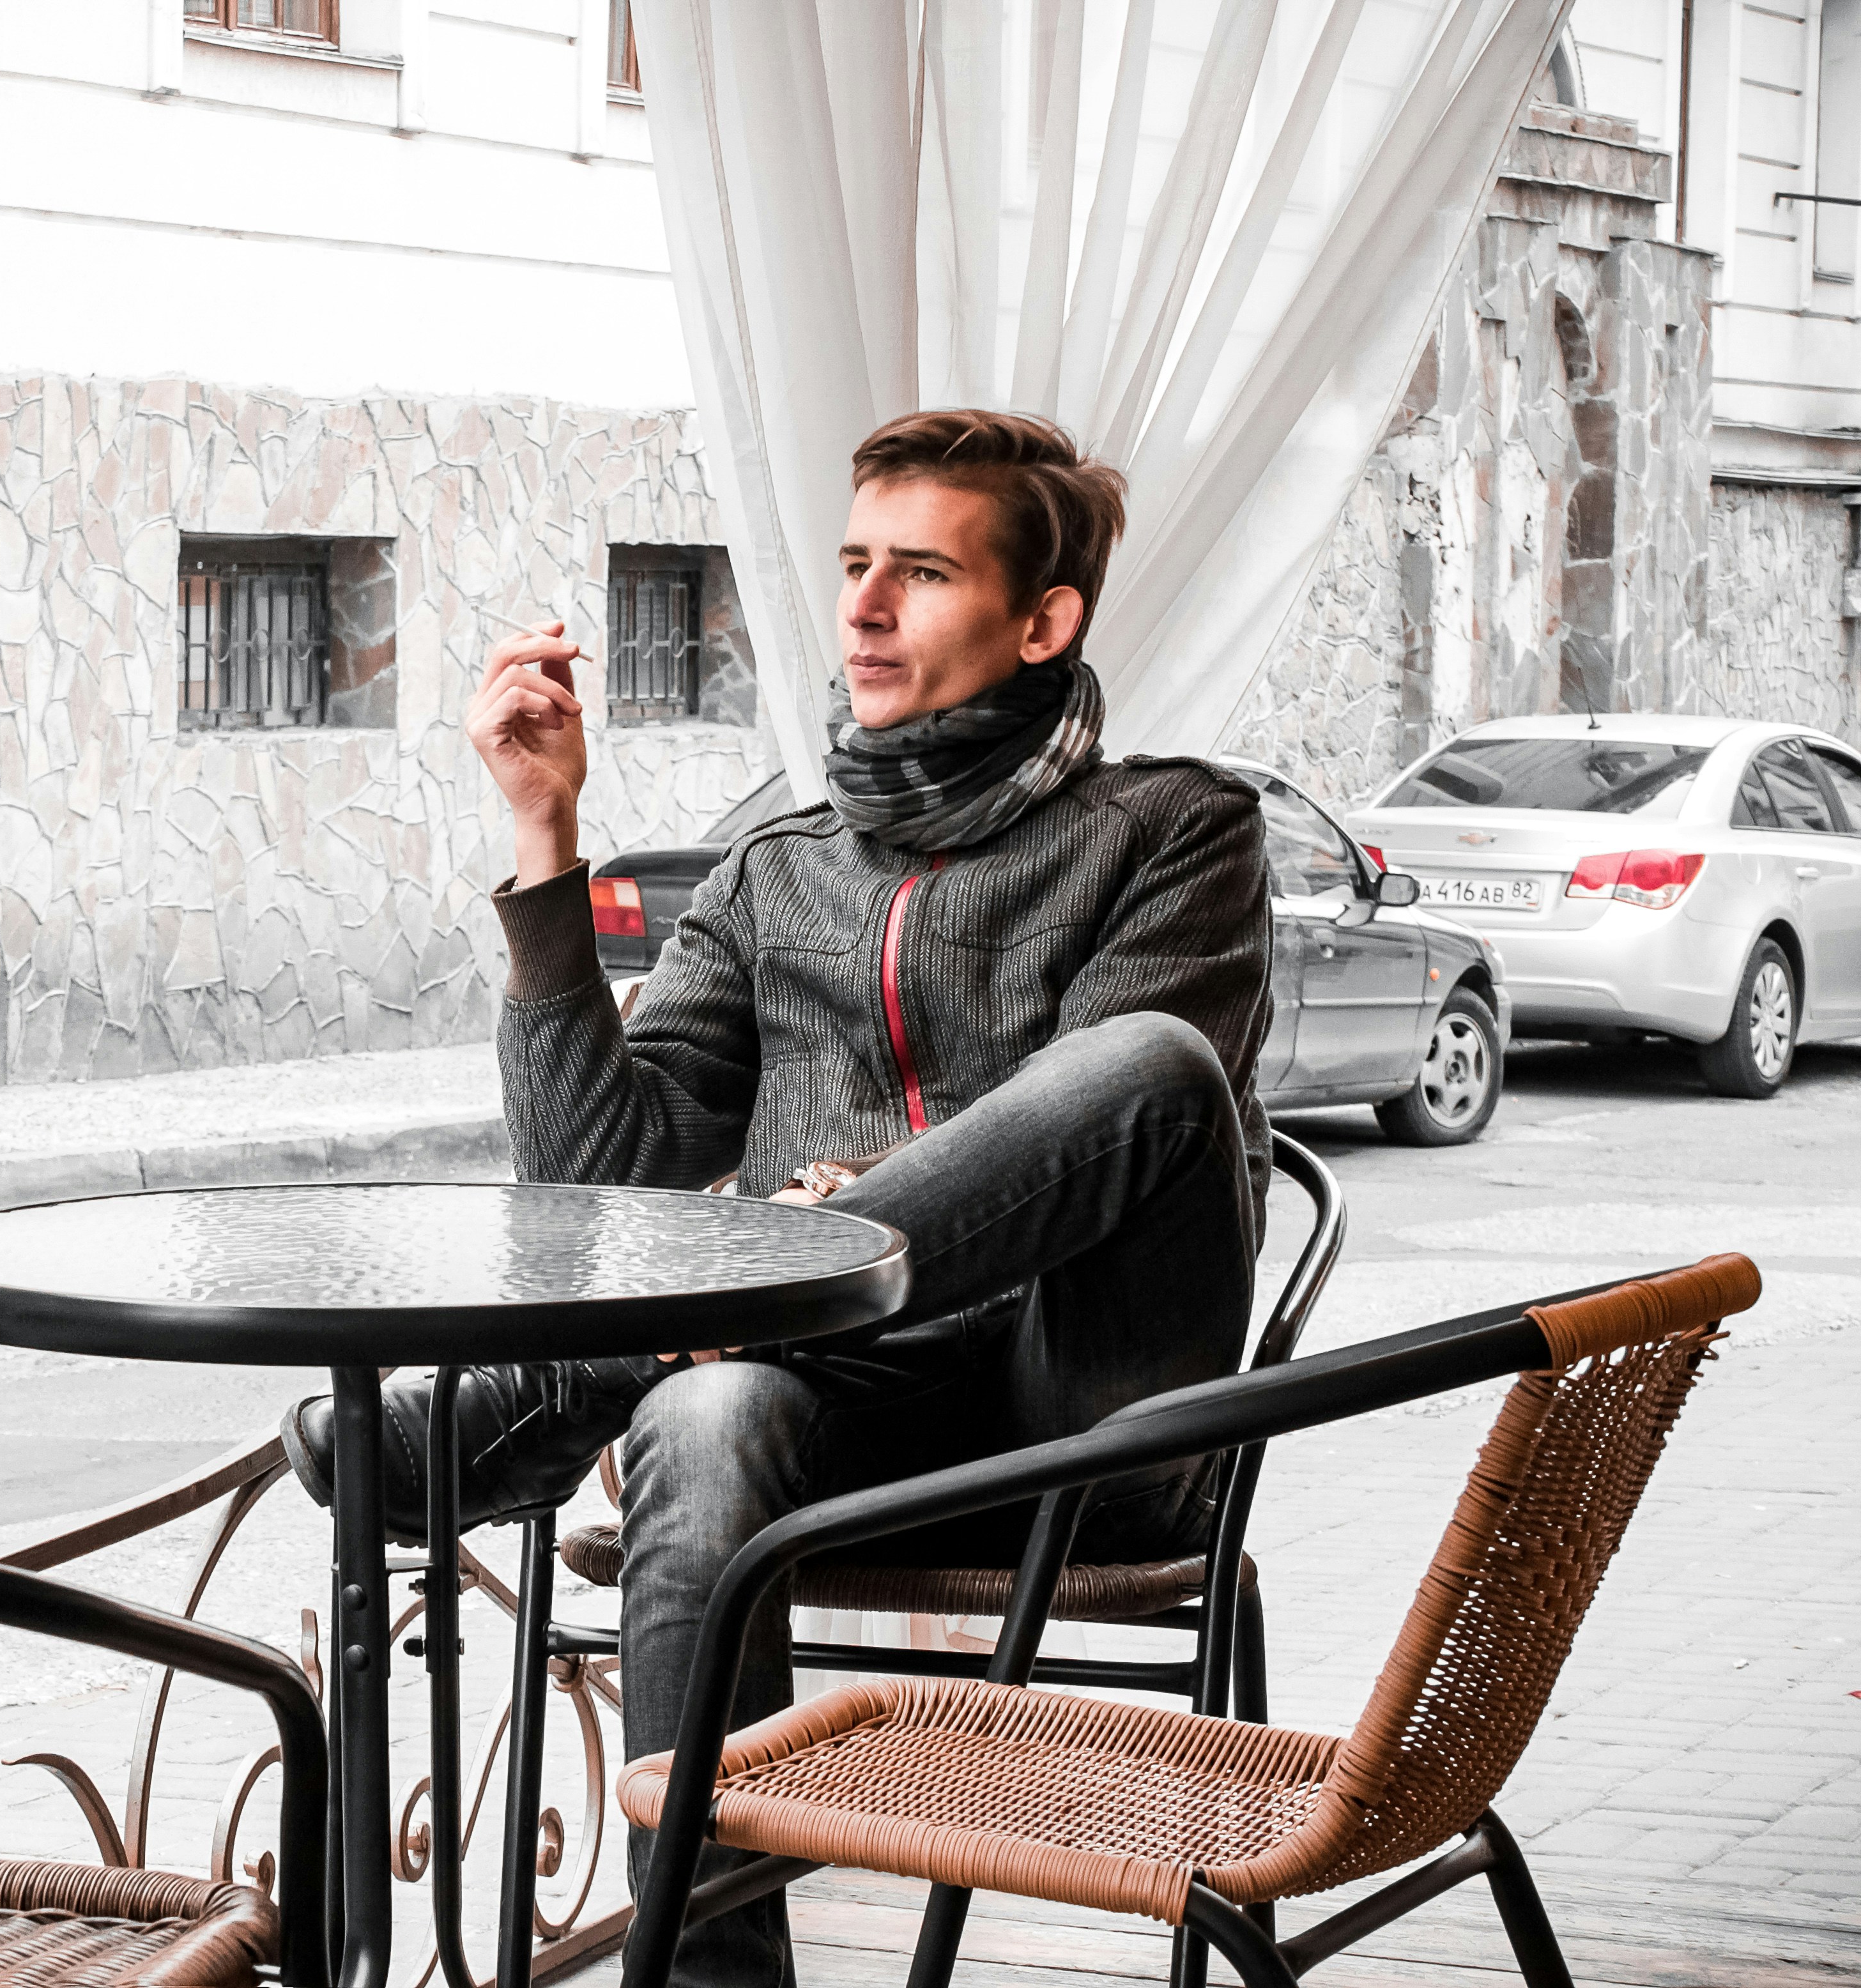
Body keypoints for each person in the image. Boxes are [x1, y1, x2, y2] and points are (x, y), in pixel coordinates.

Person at [282, 409, 1273, 1987]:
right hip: (837, 1421)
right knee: (699, 1415)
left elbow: (1123, 1142)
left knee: (1150, 1064)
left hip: (1074, 1416)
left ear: (1042, 622)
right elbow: (593, 1192)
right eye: (856, 564)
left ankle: (568, 1378)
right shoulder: (769, 872)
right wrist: (543, 841)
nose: (865, 606)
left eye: (923, 572)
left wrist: (828, 1215)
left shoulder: (1174, 829)